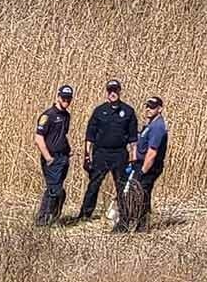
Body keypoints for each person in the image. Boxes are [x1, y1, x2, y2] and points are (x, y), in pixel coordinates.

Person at [78, 79, 138, 221]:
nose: (113, 93)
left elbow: (133, 138)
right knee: (94, 184)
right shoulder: (99, 111)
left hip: (120, 154)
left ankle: (124, 216)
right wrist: (87, 156)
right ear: (107, 92)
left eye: (115, 90)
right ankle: (85, 215)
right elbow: (90, 136)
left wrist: (134, 157)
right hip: (101, 154)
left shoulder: (128, 111)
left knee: (122, 186)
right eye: (110, 90)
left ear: (119, 91)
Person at [33, 85, 75, 226]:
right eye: (64, 98)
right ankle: (45, 219)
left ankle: (51, 217)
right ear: (58, 97)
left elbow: (62, 135)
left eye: (68, 98)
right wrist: (48, 158)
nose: (66, 101)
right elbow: (38, 139)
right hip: (51, 158)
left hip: (63, 157)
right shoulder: (48, 115)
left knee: (56, 188)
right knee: (55, 190)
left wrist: (68, 150)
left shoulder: (66, 116)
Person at [134, 96, 168, 227]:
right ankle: (141, 223)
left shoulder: (158, 127)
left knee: (143, 192)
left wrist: (143, 171)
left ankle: (142, 225)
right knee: (143, 193)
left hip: (150, 166)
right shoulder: (150, 124)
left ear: (159, 109)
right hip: (143, 163)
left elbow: (152, 152)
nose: (148, 109)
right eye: (147, 106)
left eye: (152, 107)